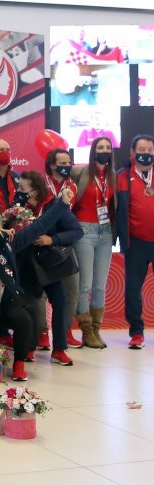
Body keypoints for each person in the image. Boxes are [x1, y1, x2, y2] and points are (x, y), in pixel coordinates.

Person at [0, 191, 74, 381]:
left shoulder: (9, 243)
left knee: (24, 320)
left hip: (7, 302)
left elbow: (39, 226)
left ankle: (19, 364)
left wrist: (61, 204)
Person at [17, 170, 83, 365]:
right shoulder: (18, 206)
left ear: (36, 190)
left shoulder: (54, 205)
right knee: (28, 304)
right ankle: (28, 348)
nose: (19, 192)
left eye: (23, 188)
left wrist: (52, 239)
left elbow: (76, 231)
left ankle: (60, 349)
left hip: (48, 265)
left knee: (60, 302)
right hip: (26, 264)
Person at [72, 137, 115, 348]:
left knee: (100, 286)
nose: (104, 151)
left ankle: (97, 329)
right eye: (100, 147)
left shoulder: (113, 176)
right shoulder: (80, 172)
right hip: (84, 230)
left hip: (106, 232)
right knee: (85, 284)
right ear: (93, 150)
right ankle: (86, 330)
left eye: (108, 148)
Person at [116, 134, 154, 349]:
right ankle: (136, 332)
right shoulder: (122, 176)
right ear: (132, 152)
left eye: (150, 149)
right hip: (136, 243)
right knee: (132, 290)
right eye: (142, 149)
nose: (146, 153)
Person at [40, 148, 81, 349]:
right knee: (41, 293)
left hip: (64, 243)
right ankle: (42, 333)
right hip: (41, 242)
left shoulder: (73, 185)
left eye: (69, 162)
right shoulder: (42, 184)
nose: (66, 166)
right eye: (62, 163)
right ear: (52, 165)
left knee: (72, 290)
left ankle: (65, 331)